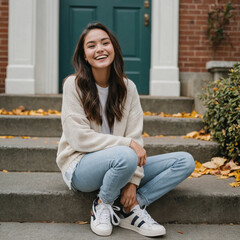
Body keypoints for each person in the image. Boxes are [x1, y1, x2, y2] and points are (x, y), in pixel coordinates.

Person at [56, 22, 195, 237]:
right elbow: (79, 138)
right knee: (126, 154)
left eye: (105, 43)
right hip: (82, 166)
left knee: (185, 161)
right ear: (84, 56)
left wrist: (133, 182)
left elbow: (135, 137)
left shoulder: (128, 88)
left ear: (114, 49)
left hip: (123, 163)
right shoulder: (73, 85)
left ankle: (129, 208)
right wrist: (127, 146)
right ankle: (102, 203)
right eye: (91, 46)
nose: (100, 49)